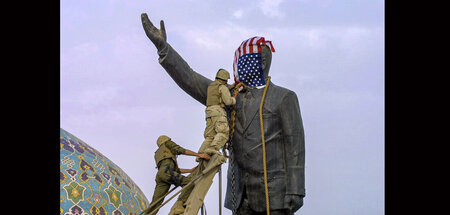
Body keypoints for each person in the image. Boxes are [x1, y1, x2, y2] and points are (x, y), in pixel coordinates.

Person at [141, 13, 305, 215]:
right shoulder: (228, 95)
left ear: (262, 63)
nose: (241, 67)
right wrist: (163, 48)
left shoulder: (283, 97)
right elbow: (191, 79)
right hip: (239, 196)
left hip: (274, 196)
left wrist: (296, 190)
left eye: (247, 61)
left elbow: (294, 145)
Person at [147, 135, 210, 215]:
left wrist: (190, 170)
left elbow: (174, 170)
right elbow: (180, 150)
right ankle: (179, 206)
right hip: (166, 172)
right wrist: (199, 155)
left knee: (156, 202)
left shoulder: (158, 153)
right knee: (189, 184)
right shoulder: (167, 144)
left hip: (161, 175)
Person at [198, 68, 237, 156]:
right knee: (223, 132)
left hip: (209, 112)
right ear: (224, 79)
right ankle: (212, 149)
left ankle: (200, 154)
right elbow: (228, 102)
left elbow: (220, 91)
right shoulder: (222, 87)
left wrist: (230, 87)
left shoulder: (211, 86)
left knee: (210, 136)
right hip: (218, 111)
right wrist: (234, 98)